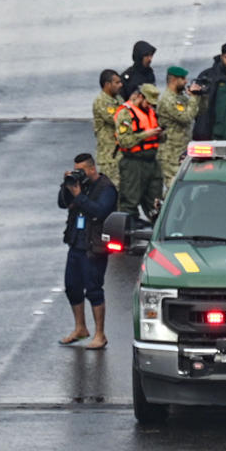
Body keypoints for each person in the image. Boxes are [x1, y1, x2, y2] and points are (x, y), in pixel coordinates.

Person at [57, 153, 117, 350]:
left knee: (93, 289)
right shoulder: (79, 185)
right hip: (76, 243)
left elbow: (100, 211)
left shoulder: (106, 188)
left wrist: (79, 196)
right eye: (76, 170)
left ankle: (100, 334)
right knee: (72, 287)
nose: (79, 174)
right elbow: (62, 204)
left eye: (82, 170)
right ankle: (80, 328)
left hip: (94, 247)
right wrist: (66, 186)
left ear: (92, 169)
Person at [115, 84, 163, 226]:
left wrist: (160, 134)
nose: (150, 106)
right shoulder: (125, 113)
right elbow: (124, 141)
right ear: (140, 97)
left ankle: (158, 229)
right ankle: (129, 231)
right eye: (148, 102)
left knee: (156, 202)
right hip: (133, 163)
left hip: (152, 162)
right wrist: (146, 134)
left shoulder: (151, 112)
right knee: (129, 200)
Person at [156, 66, 197, 193]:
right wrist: (193, 98)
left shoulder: (180, 97)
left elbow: (196, 111)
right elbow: (186, 117)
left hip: (182, 150)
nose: (186, 82)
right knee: (174, 188)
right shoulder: (168, 99)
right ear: (173, 80)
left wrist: (200, 96)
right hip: (170, 153)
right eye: (183, 79)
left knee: (185, 188)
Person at [93, 69, 125, 191]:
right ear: (107, 84)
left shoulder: (118, 99)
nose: (120, 85)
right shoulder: (102, 101)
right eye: (117, 83)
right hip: (109, 157)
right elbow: (117, 119)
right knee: (112, 190)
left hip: (120, 154)